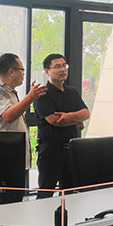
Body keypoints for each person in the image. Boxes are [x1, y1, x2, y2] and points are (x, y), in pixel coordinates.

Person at [0, 53, 47, 203]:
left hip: (16, 157)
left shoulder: (10, 92)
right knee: (8, 202)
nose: (24, 73)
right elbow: (8, 116)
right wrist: (30, 97)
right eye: (22, 69)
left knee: (16, 200)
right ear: (11, 71)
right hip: (4, 157)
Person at [33, 54, 89, 198]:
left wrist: (68, 117)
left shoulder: (72, 92)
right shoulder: (42, 93)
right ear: (47, 71)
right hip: (50, 150)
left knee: (69, 193)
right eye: (57, 66)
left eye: (64, 66)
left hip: (71, 148)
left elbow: (86, 113)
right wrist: (77, 119)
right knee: (46, 192)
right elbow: (55, 120)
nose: (63, 69)